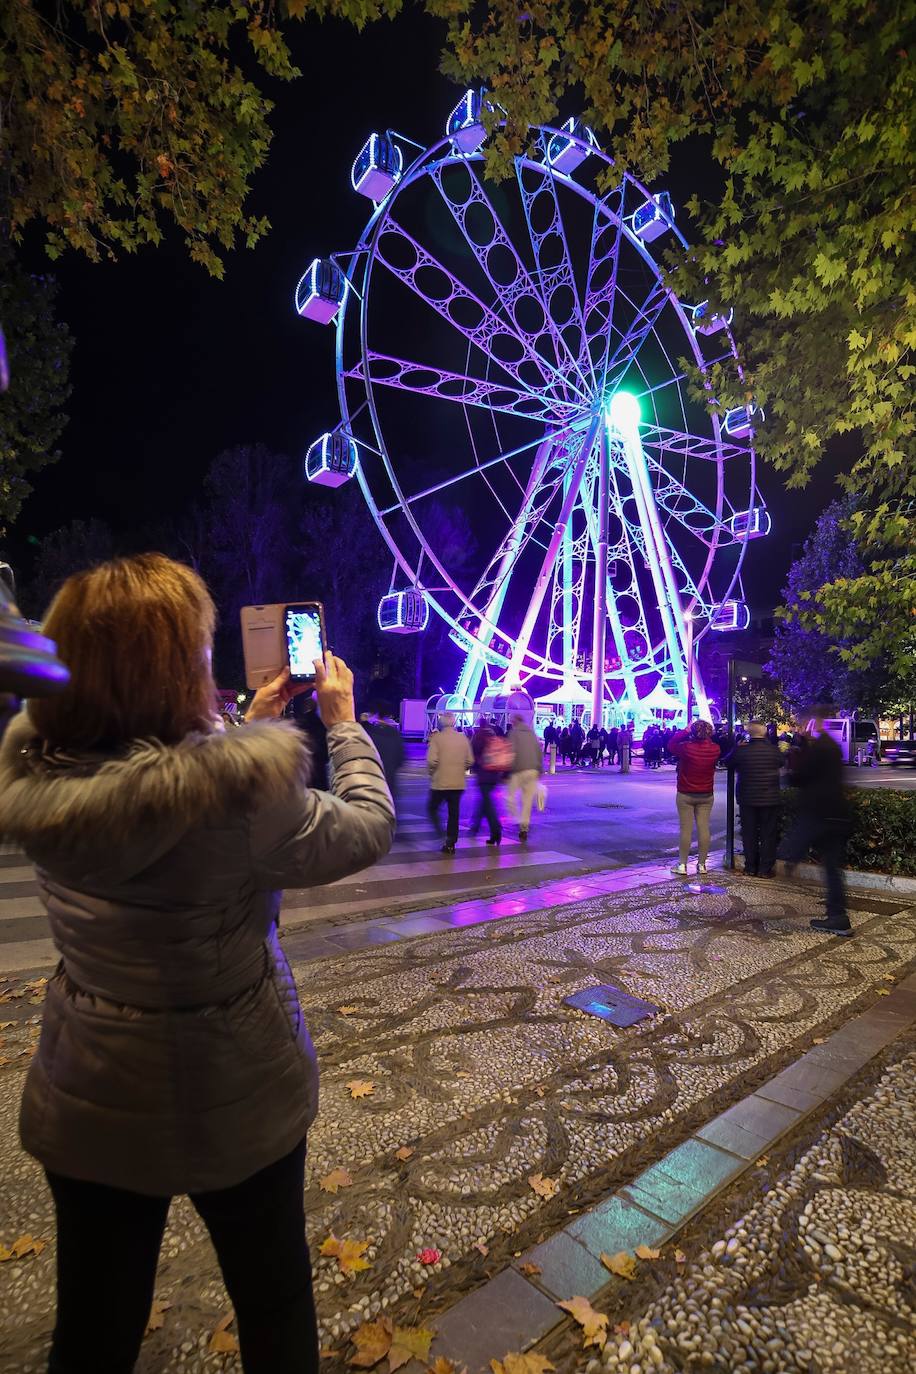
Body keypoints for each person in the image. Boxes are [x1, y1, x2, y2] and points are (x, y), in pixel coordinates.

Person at [0, 553, 395, 1374]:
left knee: (95, 1327)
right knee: (274, 1302)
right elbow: (365, 826)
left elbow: (145, 762)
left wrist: (244, 721)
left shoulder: (35, 777)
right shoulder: (244, 797)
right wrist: (343, 720)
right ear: (178, 670)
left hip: (91, 1092)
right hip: (237, 1089)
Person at [779, 709, 853, 936]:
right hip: (835, 812)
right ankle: (837, 916)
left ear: (814, 723)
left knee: (808, 843)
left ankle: (788, 858)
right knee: (831, 867)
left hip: (821, 812)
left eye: (804, 724)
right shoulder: (829, 746)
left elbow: (801, 776)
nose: (802, 728)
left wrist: (789, 770)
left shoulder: (820, 747)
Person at [729, 720, 783, 878]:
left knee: (749, 833)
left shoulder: (742, 751)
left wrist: (735, 748)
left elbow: (728, 762)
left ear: (749, 733)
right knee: (768, 834)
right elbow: (782, 762)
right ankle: (765, 869)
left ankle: (751, 867)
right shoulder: (773, 750)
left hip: (747, 798)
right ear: (765, 732)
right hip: (769, 798)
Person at [668, 719, 721, 875]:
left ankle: (683, 865)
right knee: (704, 828)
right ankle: (702, 865)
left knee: (686, 829)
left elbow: (671, 745)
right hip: (706, 793)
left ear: (693, 732)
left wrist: (685, 731)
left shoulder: (686, 748)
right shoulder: (715, 749)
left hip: (686, 792)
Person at [426, 711, 473, 853]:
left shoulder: (437, 739)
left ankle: (441, 833)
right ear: (453, 722)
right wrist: (461, 768)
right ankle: (451, 842)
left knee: (432, 808)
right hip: (458, 783)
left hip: (440, 781)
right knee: (454, 813)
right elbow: (470, 760)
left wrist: (432, 772)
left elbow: (431, 760)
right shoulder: (462, 738)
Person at [362, 702, 406, 816]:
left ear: (375, 714)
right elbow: (401, 759)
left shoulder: (369, 734)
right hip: (389, 781)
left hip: (372, 781)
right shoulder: (395, 734)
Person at [506, 712, 544, 841]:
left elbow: (511, 753)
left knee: (510, 796)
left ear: (515, 722)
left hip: (518, 770)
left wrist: (506, 771)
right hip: (532, 770)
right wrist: (540, 769)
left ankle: (517, 818)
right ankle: (524, 827)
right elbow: (539, 752)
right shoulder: (532, 734)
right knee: (527, 801)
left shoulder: (514, 733)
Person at [468, 719, 506, 845]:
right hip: (494, 773)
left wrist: (474, 767)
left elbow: (472, 755)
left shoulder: (478, 736)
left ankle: (496, 830)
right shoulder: (493, 735)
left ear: (480, 725)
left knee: (487, 805)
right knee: (485, 802)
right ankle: (477, 826)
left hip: (484, 774)